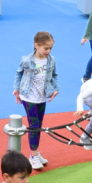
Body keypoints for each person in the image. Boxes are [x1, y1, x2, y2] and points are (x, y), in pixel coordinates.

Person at [14, 32, 59, 169]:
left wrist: (55, 89)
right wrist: (16, 89)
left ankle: (36, 152)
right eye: (46, 48)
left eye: (50, 48)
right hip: (29, 98)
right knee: (34, 125)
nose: (48, 51)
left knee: (39, 125)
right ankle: (33, 156)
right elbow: (18, 73)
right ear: (36, 45)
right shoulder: (27, 60)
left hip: (41, 98)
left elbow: (54, 75)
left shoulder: (51, 60)